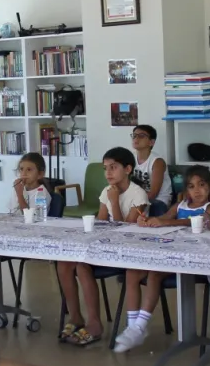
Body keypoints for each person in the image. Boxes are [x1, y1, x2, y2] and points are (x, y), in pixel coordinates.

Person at [116, 165, 210, 353]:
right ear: (186, 190)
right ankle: (133, 327)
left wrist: (165, 222)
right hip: (168, 252)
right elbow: (163, 218)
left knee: (154, 274)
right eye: (191, 186)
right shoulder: (180, 205)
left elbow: (192, 221)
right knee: (132, 272)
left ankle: (140, 326)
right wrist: (147, 221)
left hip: (192, 258)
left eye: (201, 185)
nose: (197, 190)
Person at [57, 147, 148, 347]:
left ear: (128, 169)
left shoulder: (138, 194)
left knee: (82, 266)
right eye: (105, 168)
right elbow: (101, 222)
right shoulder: (107, 191)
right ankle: (75, 317)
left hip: (127, 250)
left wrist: (114, 202)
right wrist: (107, 203)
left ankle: (94, 324)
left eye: (113, 167)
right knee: (64, 263)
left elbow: (126, 229)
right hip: (105, 246)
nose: (108, 172)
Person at [130, 125, 172, 214]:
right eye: (134, 135)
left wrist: (133, 201)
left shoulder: (157, 162)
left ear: (151, 142)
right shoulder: (130, 158)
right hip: (138, 197)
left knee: (154, 208)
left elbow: (153, 194)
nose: (136, 138)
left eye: (141, 136)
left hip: (158, 200)